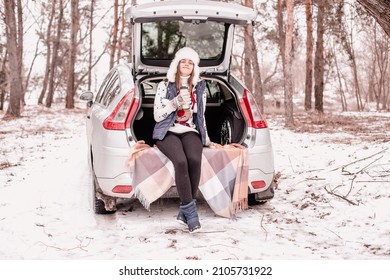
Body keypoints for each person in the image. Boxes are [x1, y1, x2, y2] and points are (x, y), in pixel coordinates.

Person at [152, 47, 212, 233]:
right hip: (167, 131)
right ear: (177, 65)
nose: (186, 64)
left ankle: (183, 212)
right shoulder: (165, 85)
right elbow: (157, 116)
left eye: (191, 62)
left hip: (190, 130)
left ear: (195, 67)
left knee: (195, 159)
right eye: (183, 61)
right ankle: (191, 213)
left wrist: (207, 138)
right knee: (180, 161)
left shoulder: (200, 87)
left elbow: (200, 115)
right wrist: (174, 103)